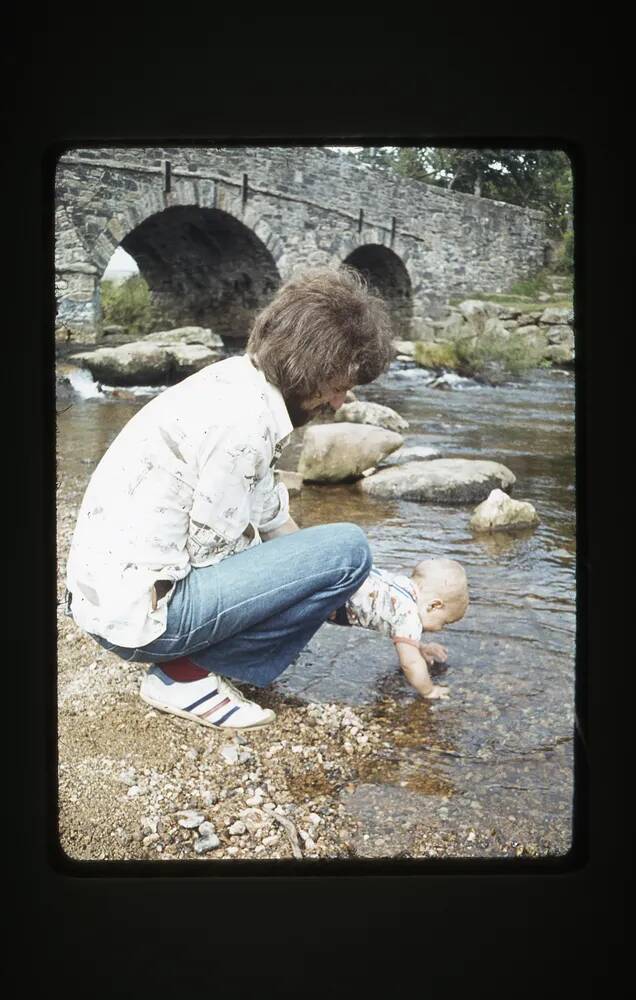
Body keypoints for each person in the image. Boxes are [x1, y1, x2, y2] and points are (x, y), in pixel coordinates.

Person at [64, 266, 394, 730]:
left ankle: (190, 666)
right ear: (311, 370)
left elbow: (274, 520)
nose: (340, 403)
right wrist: (333, 585)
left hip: (108, 599)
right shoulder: (242, 425)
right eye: (338, 387)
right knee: (350, 548)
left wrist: (381, 599)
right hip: (141, 619)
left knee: (333, 561)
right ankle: (183, 676)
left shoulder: (241, 383)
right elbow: (214, 555)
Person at [331, 558, 469, 699]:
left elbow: (399, 626)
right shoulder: (411, 615)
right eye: (444, 622)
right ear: (434, 606)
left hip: (342, 580)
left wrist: (419, 647)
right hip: (337, 604)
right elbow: (410, 663)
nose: (440, 629)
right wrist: (429, 690)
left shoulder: (401, 585)